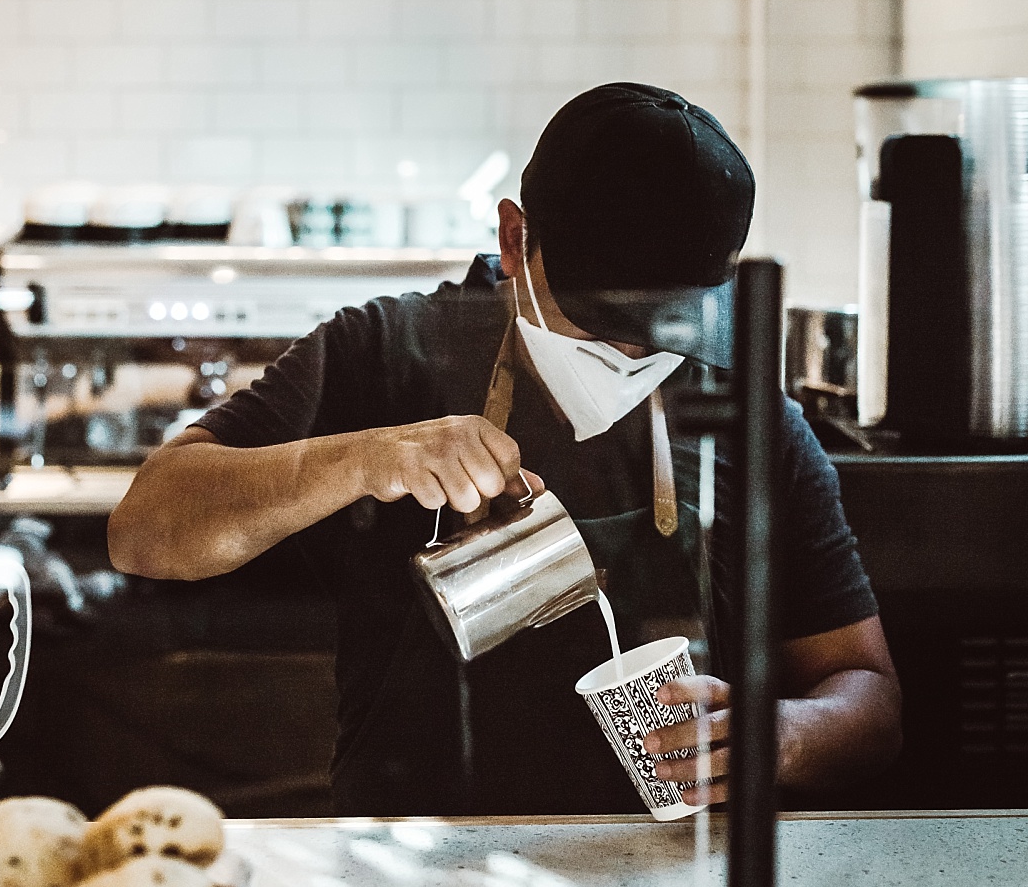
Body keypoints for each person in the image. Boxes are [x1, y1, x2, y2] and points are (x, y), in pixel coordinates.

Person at [109, 83, 900, 815]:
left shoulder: (748, 415)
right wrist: (364, 457)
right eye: (601, 317)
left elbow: (867, 694)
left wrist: (785, 736)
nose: (630, 355)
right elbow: (146, 530)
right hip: (408, 878)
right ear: (515, 236)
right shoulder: (384, 353)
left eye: (664, 323)